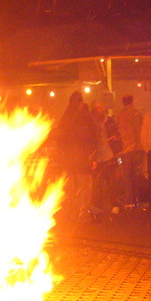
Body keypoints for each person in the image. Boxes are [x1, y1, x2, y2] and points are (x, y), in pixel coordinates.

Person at [53, 91, 98, 222]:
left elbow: (60, 139)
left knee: (72, 189)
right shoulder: (85, 118)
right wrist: (93, 158)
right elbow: (91, 139)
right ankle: (83, 215)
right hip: (83, 159)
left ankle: (72, 214)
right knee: (85, 188)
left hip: (69, 161)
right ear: (80, 103)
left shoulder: (65, 118)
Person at [115, 94, 145, 208]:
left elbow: (119, 133)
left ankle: (129, 200)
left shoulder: (121, 115)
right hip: (138, 149)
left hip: (126, 149)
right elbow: (140, 131)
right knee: (136, 175)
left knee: (127, 175)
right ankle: (137, 199)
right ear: (132, 101)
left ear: (123, 102)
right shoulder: (137, 114)